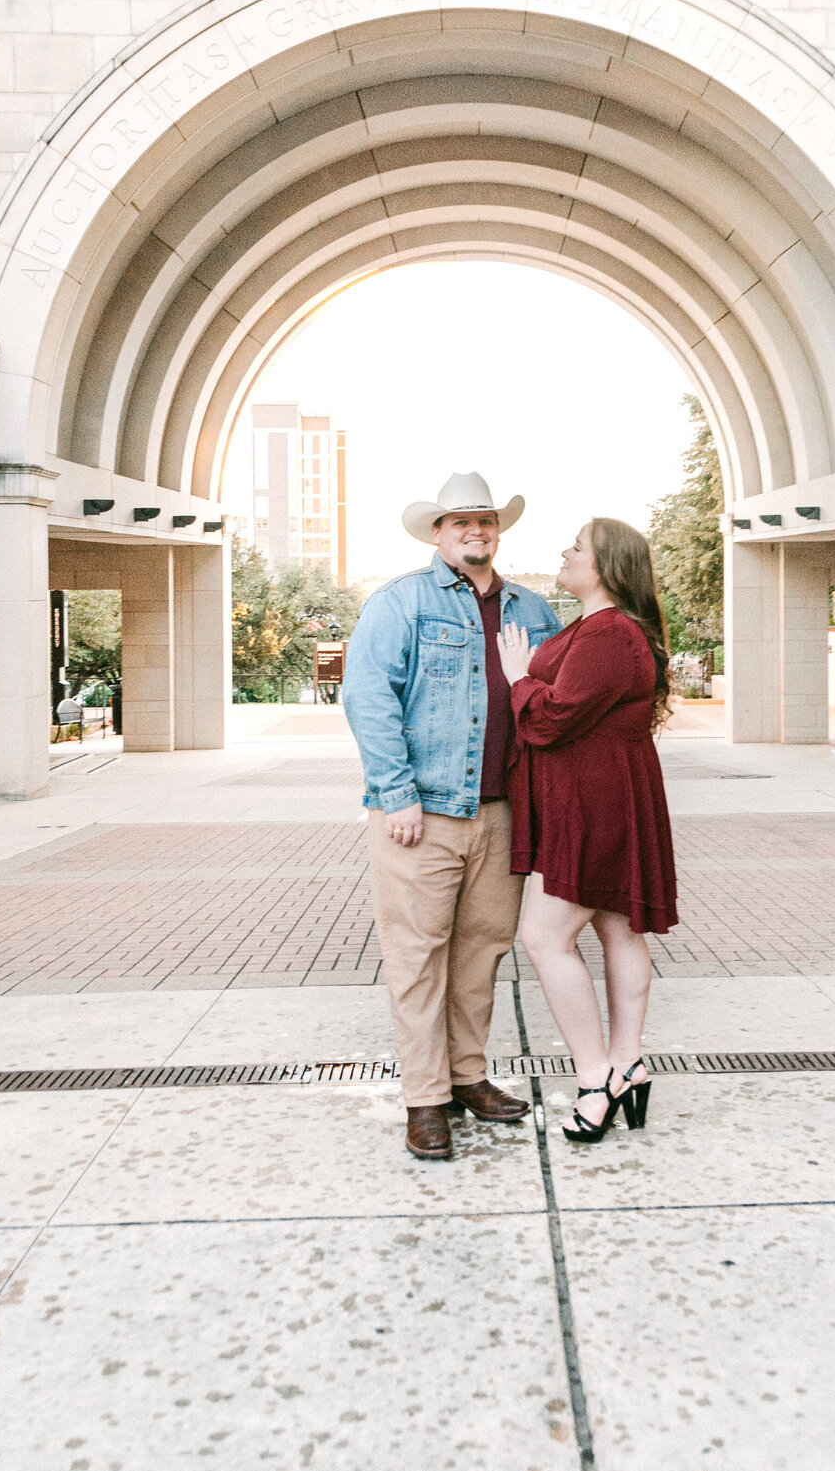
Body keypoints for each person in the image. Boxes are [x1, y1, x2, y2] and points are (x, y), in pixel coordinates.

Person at [343, 472, 561, 1161]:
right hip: (421, 813)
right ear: (437, 533)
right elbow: (368, 695)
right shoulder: (401, 602)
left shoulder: (534, 608)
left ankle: (468, 1076)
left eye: (486, 520)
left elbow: (556, 702)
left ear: (499, 530)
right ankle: (425, 1097)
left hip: (502, 813)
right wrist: (396, 790)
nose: (476, 530)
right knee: (417, 956)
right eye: (460, 521)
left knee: (481, 954)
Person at [497, 518, 677, 1144]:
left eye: (576, 547)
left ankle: (595, 1076)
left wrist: (520, 676)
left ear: (604, 566)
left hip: (592, 801)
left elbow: (552, 719)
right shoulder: (604, 629)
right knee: (616, 929)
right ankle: (627, 1064)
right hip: (607, 794)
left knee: (544, 937)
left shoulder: (606, 633)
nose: (564, 552)